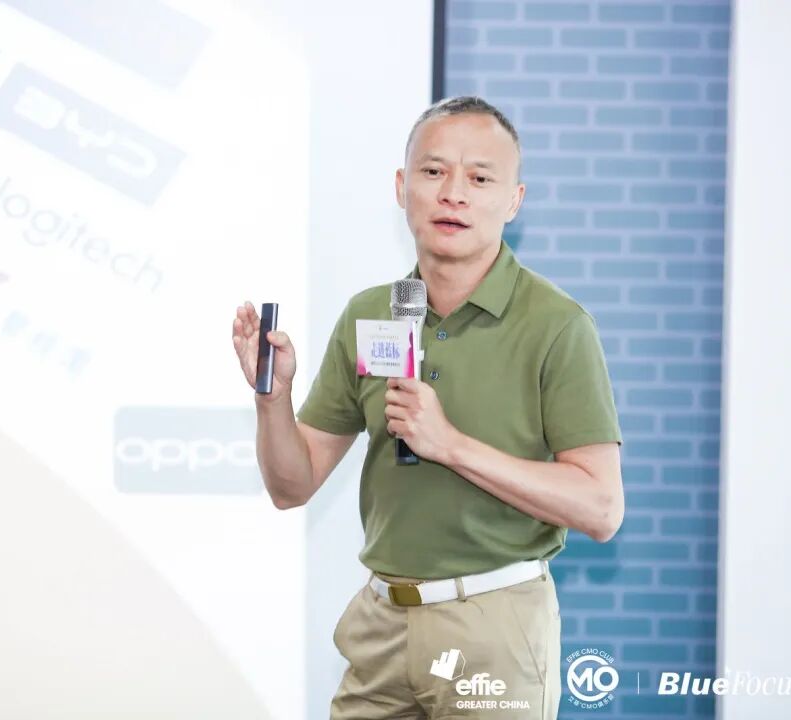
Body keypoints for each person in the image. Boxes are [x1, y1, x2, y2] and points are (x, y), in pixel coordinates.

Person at [231, 95, 623, 719]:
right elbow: (291, 486)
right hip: (381, 626)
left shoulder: (557, 325)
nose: (453, 194)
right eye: (434, 171)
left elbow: (601, 509)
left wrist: (451, 445)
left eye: (480, 178)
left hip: (493, 625)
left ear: (514, 200)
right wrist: (272, 401)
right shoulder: (371, 314)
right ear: (401, 187)